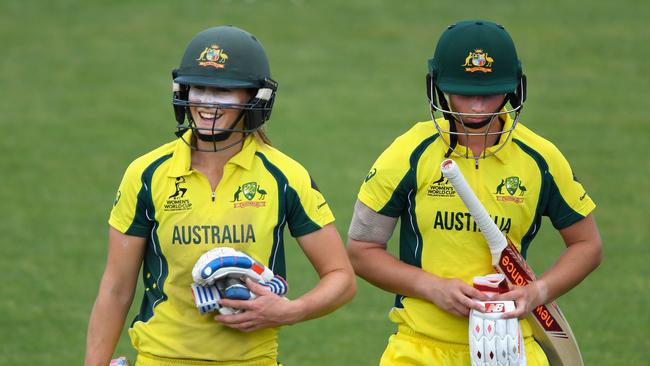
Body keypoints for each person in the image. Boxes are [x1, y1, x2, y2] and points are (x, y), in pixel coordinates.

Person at [85, 25, 356, 366]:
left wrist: (289, 311)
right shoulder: (146, 173)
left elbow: (342, 278)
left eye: (225, 91)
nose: (208, 102)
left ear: (254, 99)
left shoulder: (285, 175)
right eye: (200, 87)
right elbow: (115, 289)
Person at [347, 20, 602, 365]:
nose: (478, 107)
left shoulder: (541, 159)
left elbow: (587, 245)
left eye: (490, 93)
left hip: (512, 346)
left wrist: (537, 292)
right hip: (420, 348)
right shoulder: (408, 153)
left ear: (515, 88)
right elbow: (361, 249)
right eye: (464, 93)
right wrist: (432, 287)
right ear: (437, 86)